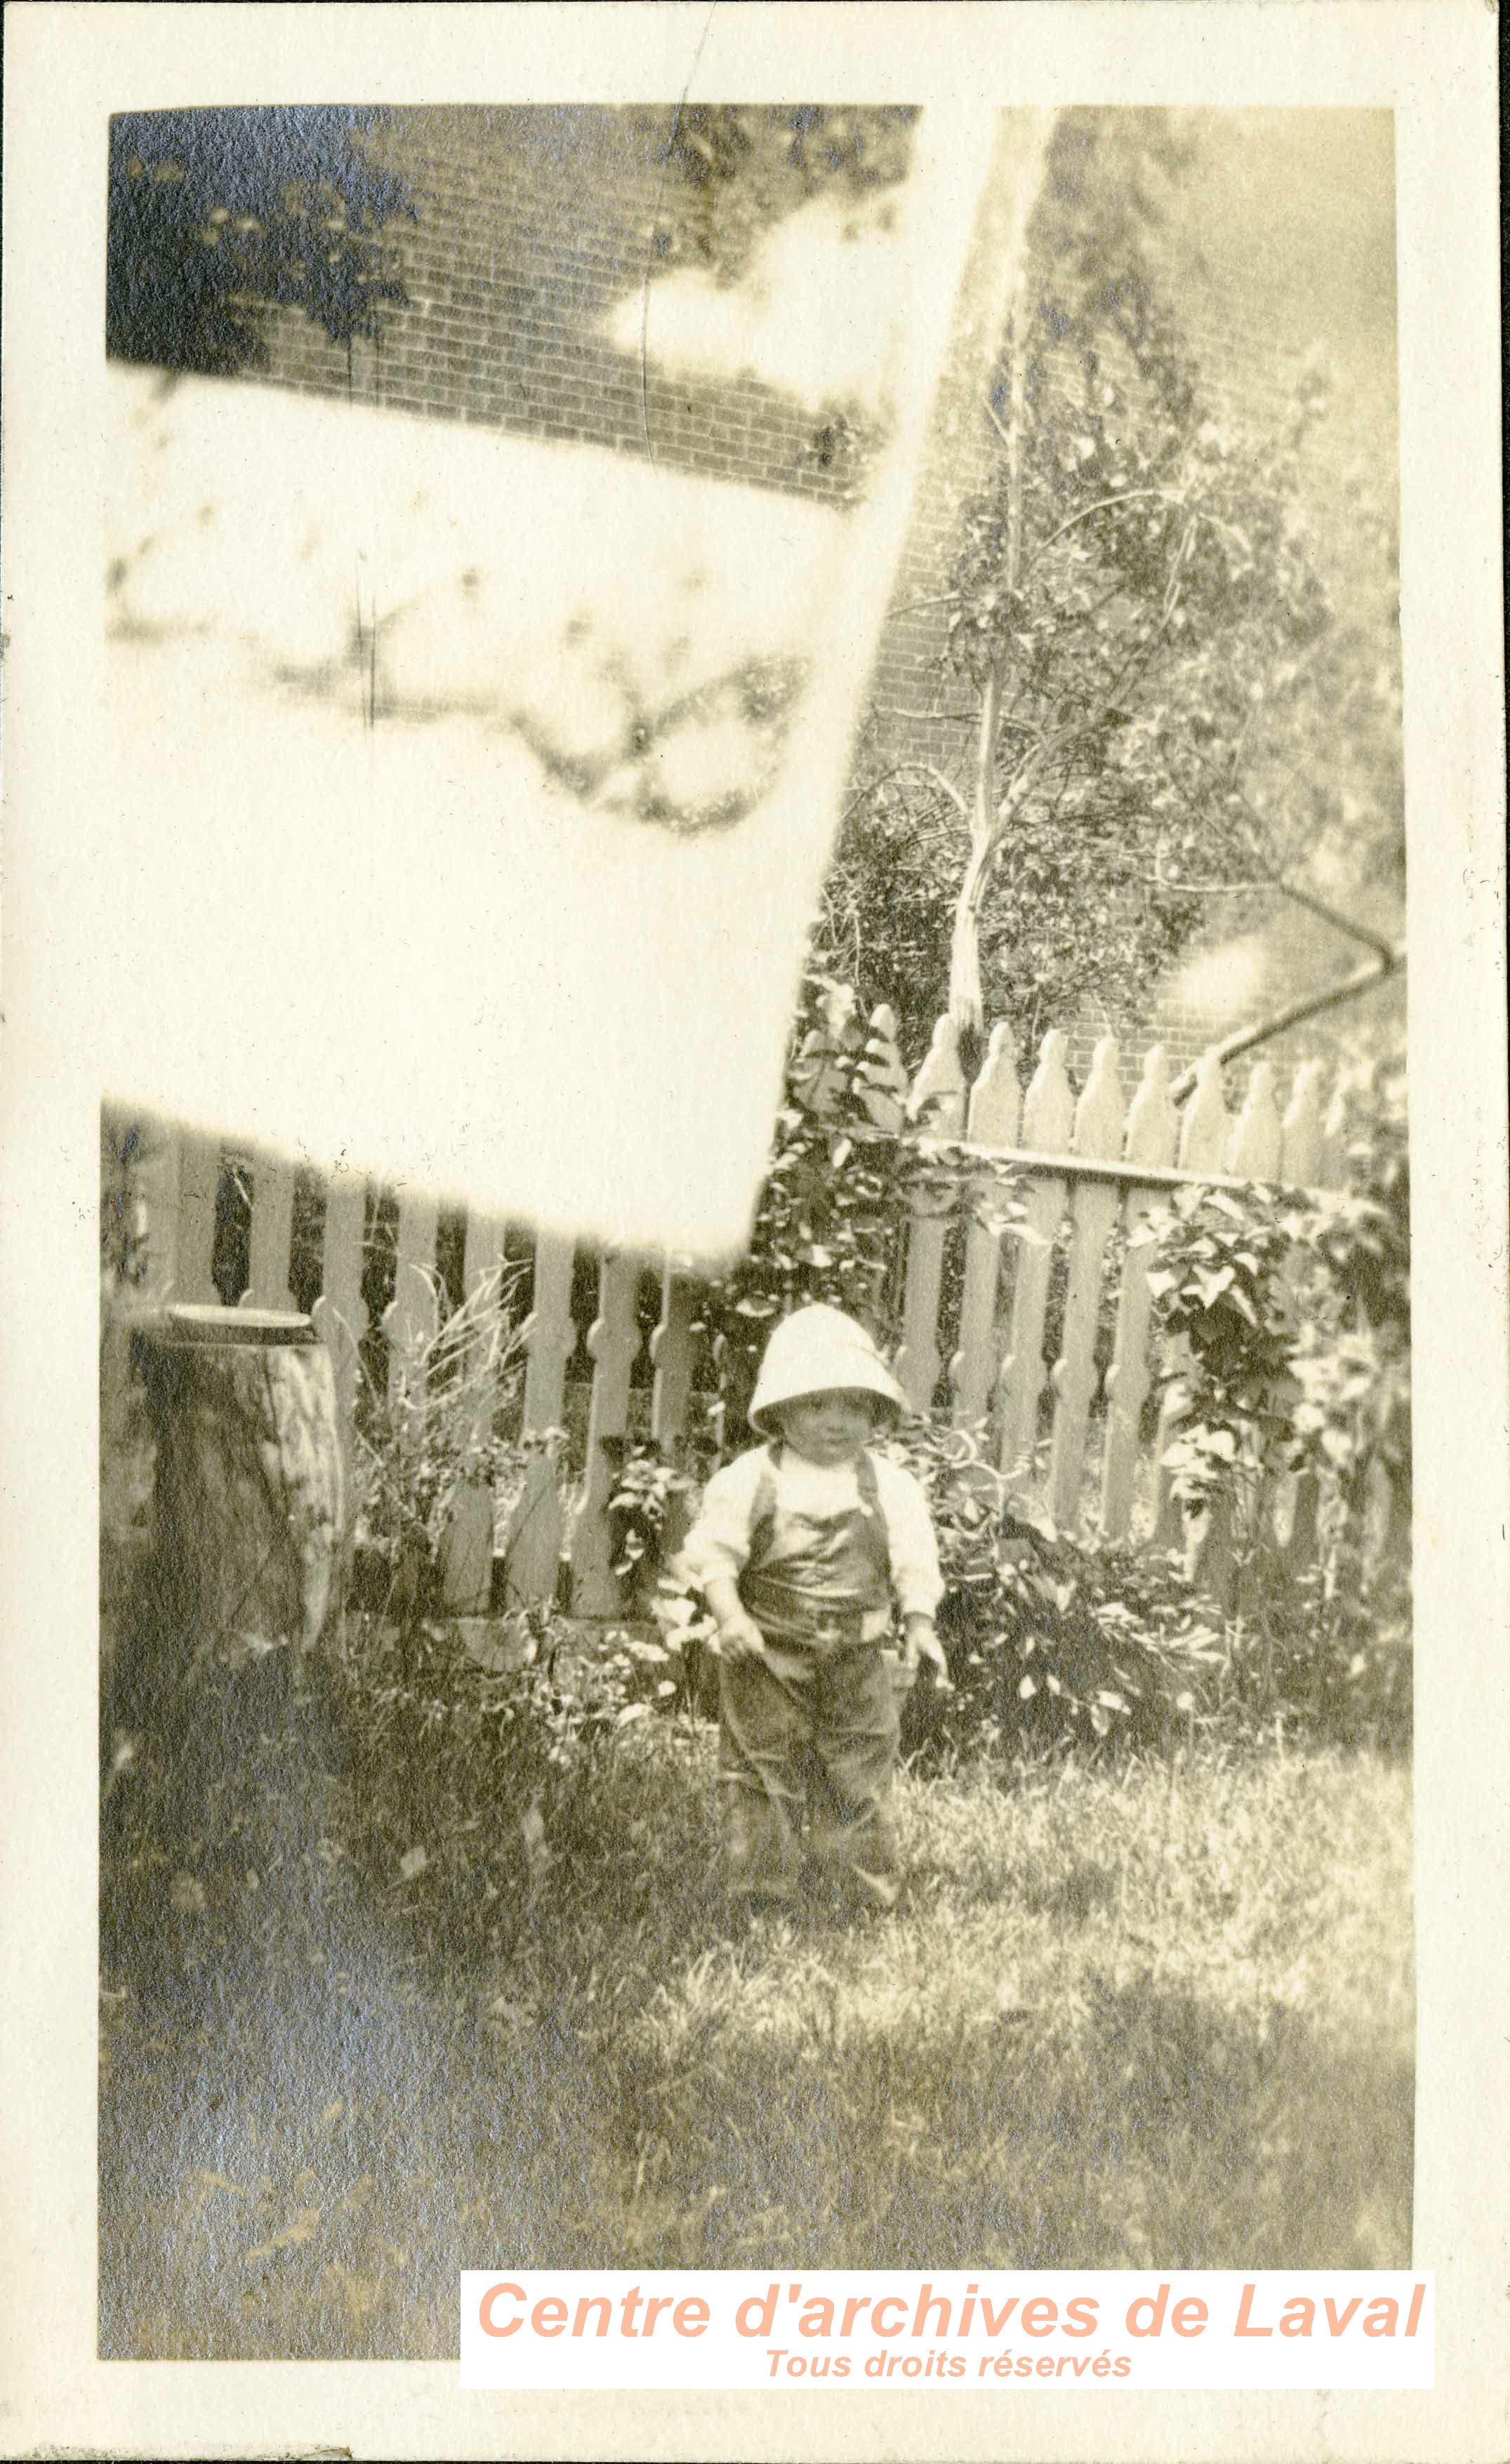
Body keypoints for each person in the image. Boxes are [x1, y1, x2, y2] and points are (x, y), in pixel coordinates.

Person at [681, 1303, 948, 1918]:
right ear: (779, 1410)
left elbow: (913, 1562)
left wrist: (920, 1624)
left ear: (876, 1413)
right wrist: (730, 1616)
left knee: (859, 1769)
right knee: (760, 1769)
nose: (837, 1422)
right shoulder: (751, 1478)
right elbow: (714, 1557)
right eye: (817, 1404)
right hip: (766, 1654)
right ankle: (762, 1895)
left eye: (855, 1406)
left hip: (857, 1656)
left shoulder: (890, 1487)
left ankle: (857, 1893)